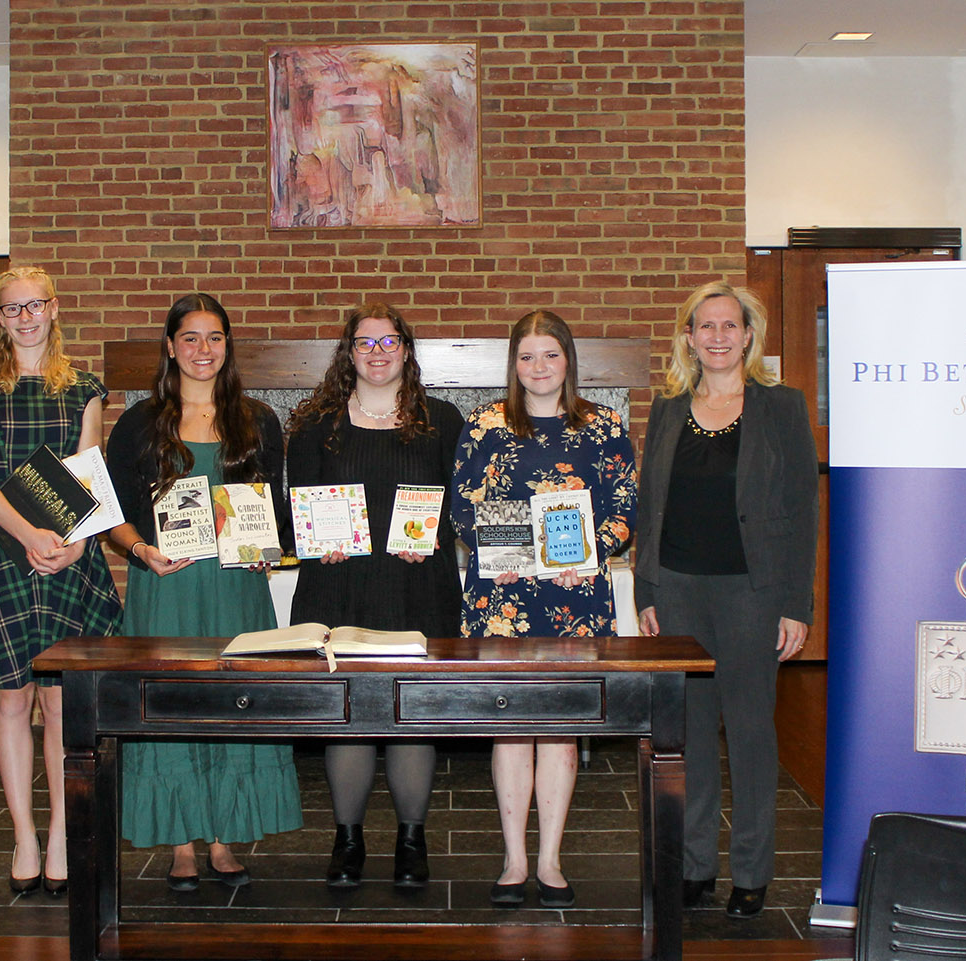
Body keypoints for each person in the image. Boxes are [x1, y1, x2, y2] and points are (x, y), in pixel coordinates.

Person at [105, 293, 302, 891]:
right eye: (189, 338)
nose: (202, 350)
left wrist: (271, 548)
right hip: (165, 587)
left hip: (237, 588)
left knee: (231, 701)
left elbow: (273, 512)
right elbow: (111, 512)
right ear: (170, 346)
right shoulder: (141, 422)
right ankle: (182, 845)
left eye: (214, 338)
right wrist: (140, 550)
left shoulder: (259, 420)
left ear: (227, 346)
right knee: (172, 704)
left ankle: (223, 839)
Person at [634, 281, 818, 919]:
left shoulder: (782, 408)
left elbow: (801, 510)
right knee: (690, 738)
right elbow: (648, 507)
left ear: (747, 336)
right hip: (679, 592)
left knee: (749, 735)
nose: (716, 337)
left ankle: (751, 871)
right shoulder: (665, 410)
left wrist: (796, 604)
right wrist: (647, 589)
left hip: (751, 596)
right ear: (689, 337)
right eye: (704, 326)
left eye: (728, 326)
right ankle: (694, 868)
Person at [0, 266, 123, 897]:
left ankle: (60, 836)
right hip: (1, 553)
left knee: (57, 702)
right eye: (12, 308)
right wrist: (26, 533)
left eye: (35, 305)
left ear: (55, 308)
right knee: (10, 698)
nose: (25, 317)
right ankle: (22, 833)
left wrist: (75, 546)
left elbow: (89, 473)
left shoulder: (84, 389)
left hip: (67, 555)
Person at [452, 310, 638, 909]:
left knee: (559, 729)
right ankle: (513, 860)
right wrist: (489, 552)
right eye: (527, 356)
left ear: (568, 361)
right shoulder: (484, 426)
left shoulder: (603, 427)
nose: (538, 367)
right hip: (503, 598)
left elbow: (622, 510)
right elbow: (461, 505)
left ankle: (552, 860)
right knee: (510, 727)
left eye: (550, 355)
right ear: (514, 363)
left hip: (573, 598)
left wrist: (588, 551)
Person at [286, 302, 464, 890]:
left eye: (390, 343)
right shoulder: (314, 424)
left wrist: (435, 535)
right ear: (349, 352)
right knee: (349, 718)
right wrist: (316, 540)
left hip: (418, 589)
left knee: (410, 716)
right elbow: (296, 514)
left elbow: (460, 509)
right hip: (338, 590)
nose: (378, 353)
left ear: (407, 351)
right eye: (366, 343)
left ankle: (412, 840)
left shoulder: (442, 419)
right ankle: (348, 838)